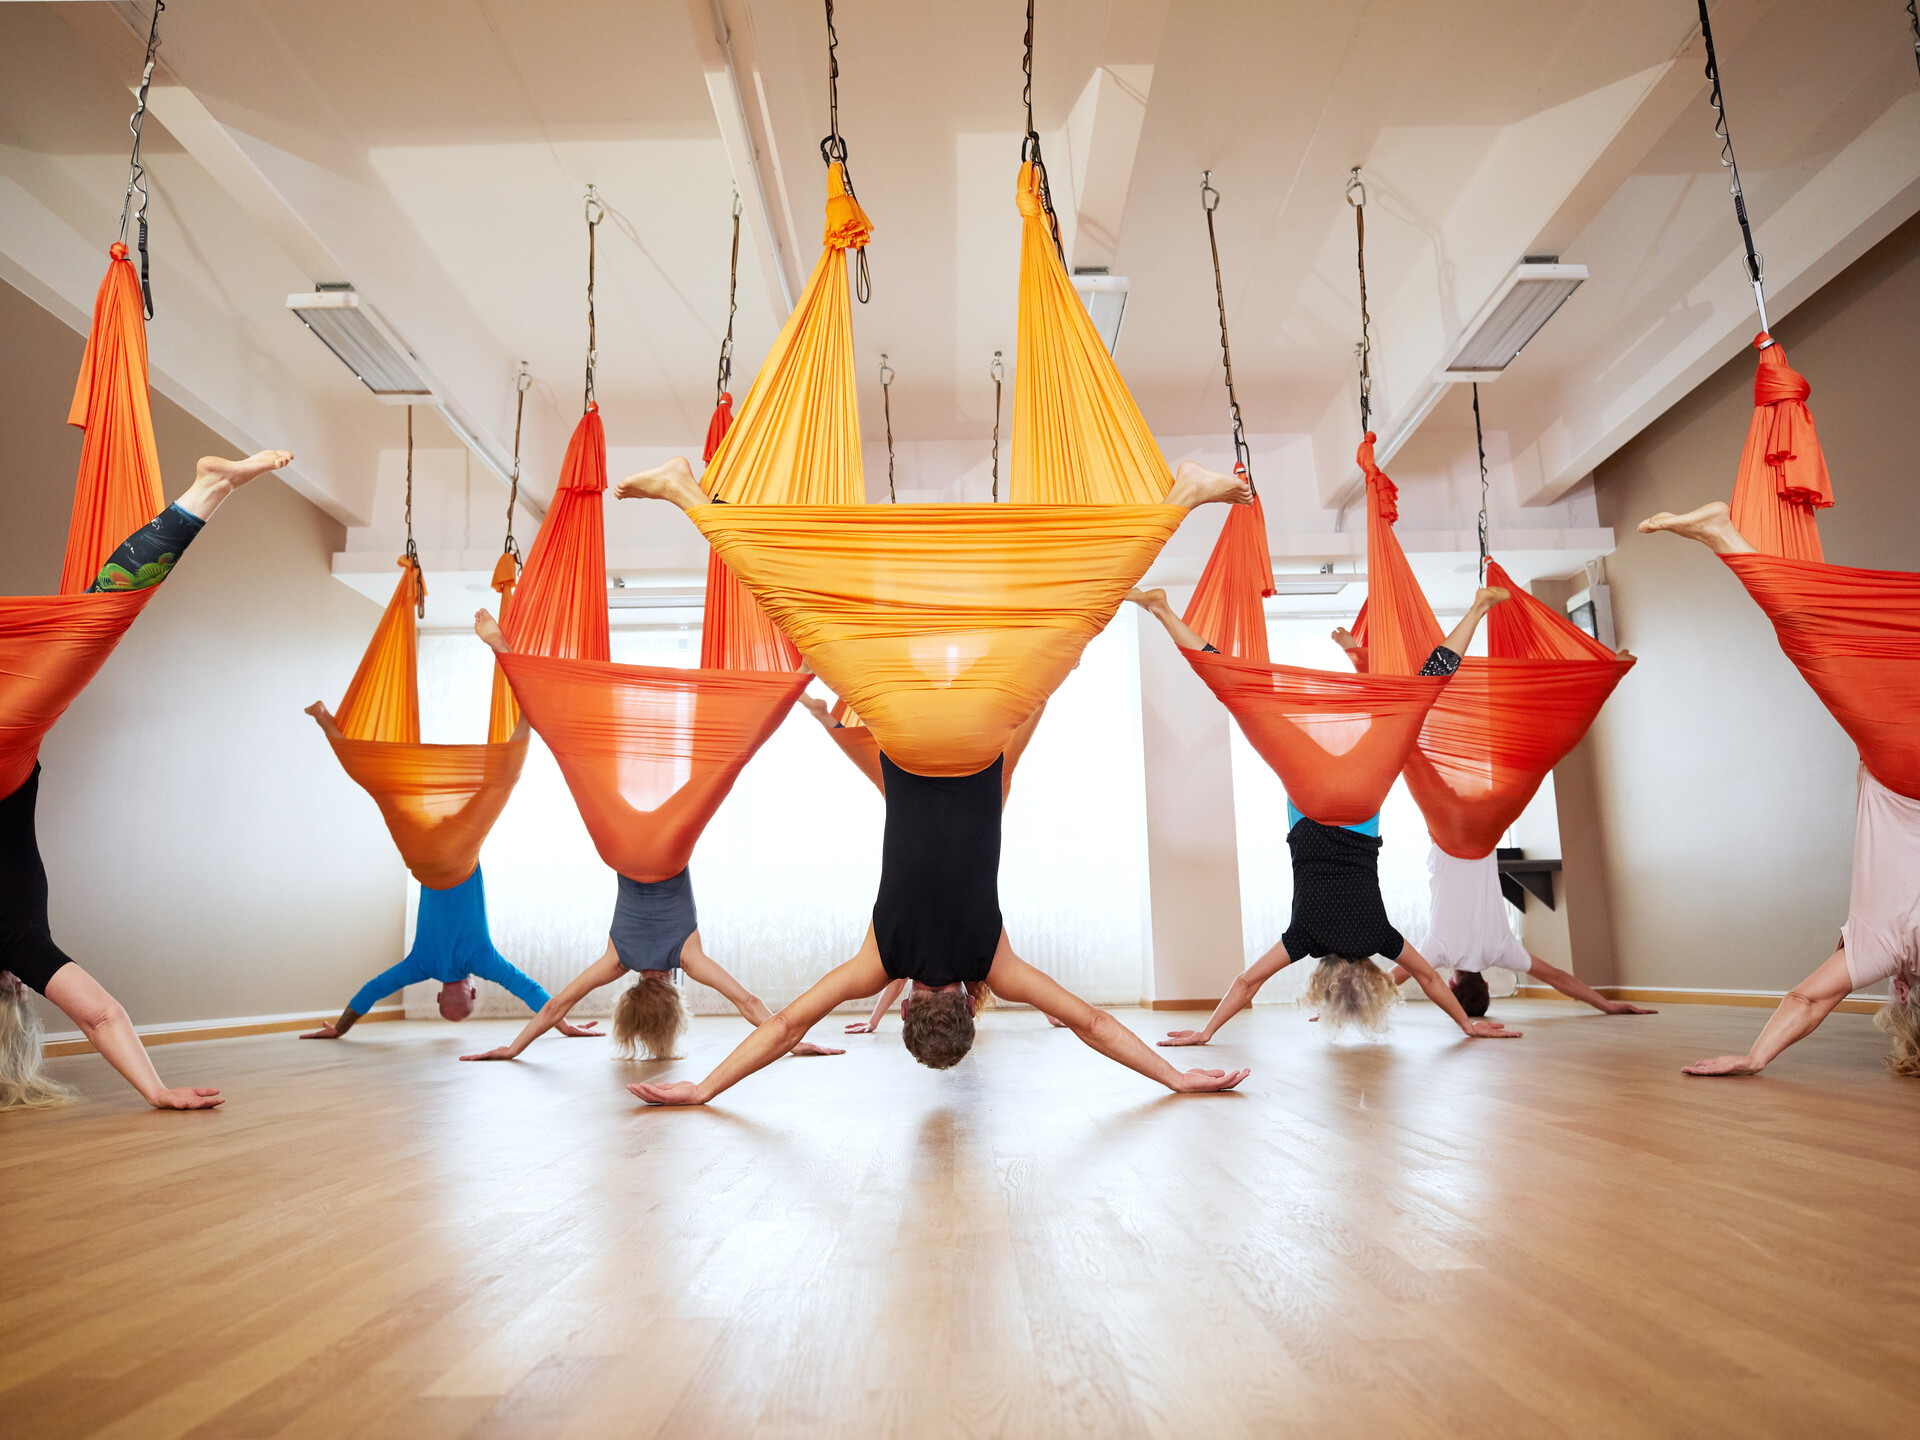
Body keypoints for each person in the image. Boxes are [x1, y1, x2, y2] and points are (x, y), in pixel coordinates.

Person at [611, 455, 1254, 1103]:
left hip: (982, 724)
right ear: (906, 1006)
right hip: (900, 723)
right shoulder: (882, 959)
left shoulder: (992, 962)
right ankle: (685, 491)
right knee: (795, 610)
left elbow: (1090, 1022)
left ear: (970, 1006)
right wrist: (701, 1089)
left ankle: (1185, 494)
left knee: (1080, 613)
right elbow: (785, 1027)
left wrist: (1178, 1077)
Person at [1, 448, 294, 1111]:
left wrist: (159, 1091)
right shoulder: (17, 946)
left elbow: (102, 1014)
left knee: (99, 618)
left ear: (18, 994)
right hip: (11, 742)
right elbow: (98, 1015)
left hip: (9, 745)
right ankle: (209, 489)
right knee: (94, 615)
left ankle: (209, 491)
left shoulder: (21, 945)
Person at [1128, 583, 1522, 1046]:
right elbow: (1246, 984)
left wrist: (1468, 1025)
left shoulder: (1381, 936)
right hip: (1309, 793)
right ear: (1322, 983)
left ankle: (1477, 608)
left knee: (1421, 694)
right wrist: (1205, 1031)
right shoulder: (1305, 937)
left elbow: (1432, 979)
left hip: (1364, 796)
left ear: (1374, 979)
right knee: (1239, 694)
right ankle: (1162, 611)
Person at [455, 609, 846, 1065]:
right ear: (630, 998)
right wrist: (512, 1048)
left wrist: (795, 1042)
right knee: (566, 750)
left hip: (668, 848)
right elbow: (556, 1006)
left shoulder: (688, 957)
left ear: (673, 1003)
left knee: (732, 756)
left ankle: (802, 670)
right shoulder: (616, 959)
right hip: (617, 846)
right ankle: (502, 650)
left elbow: (749, 1003)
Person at [1639, 500, 1920, 1077]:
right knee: (1813, 642)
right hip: (1901, 766)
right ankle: (1723, 535)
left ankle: (1726, 536)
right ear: (1902, 1000)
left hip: (1894, 755)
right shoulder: (1882, 947)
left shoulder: (1886, 949)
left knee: (1844, 644)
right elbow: (1806, 999)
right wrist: (1753, 1058)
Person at [1396, 845, 1656, 1019]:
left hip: (1484, 838)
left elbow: (1557, 977)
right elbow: (1386, 983)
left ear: (1486, 984)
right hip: (1445, 841)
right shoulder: (1435, 951)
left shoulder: (1503, 950)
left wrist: (1608, 1005)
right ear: (1450, 985)